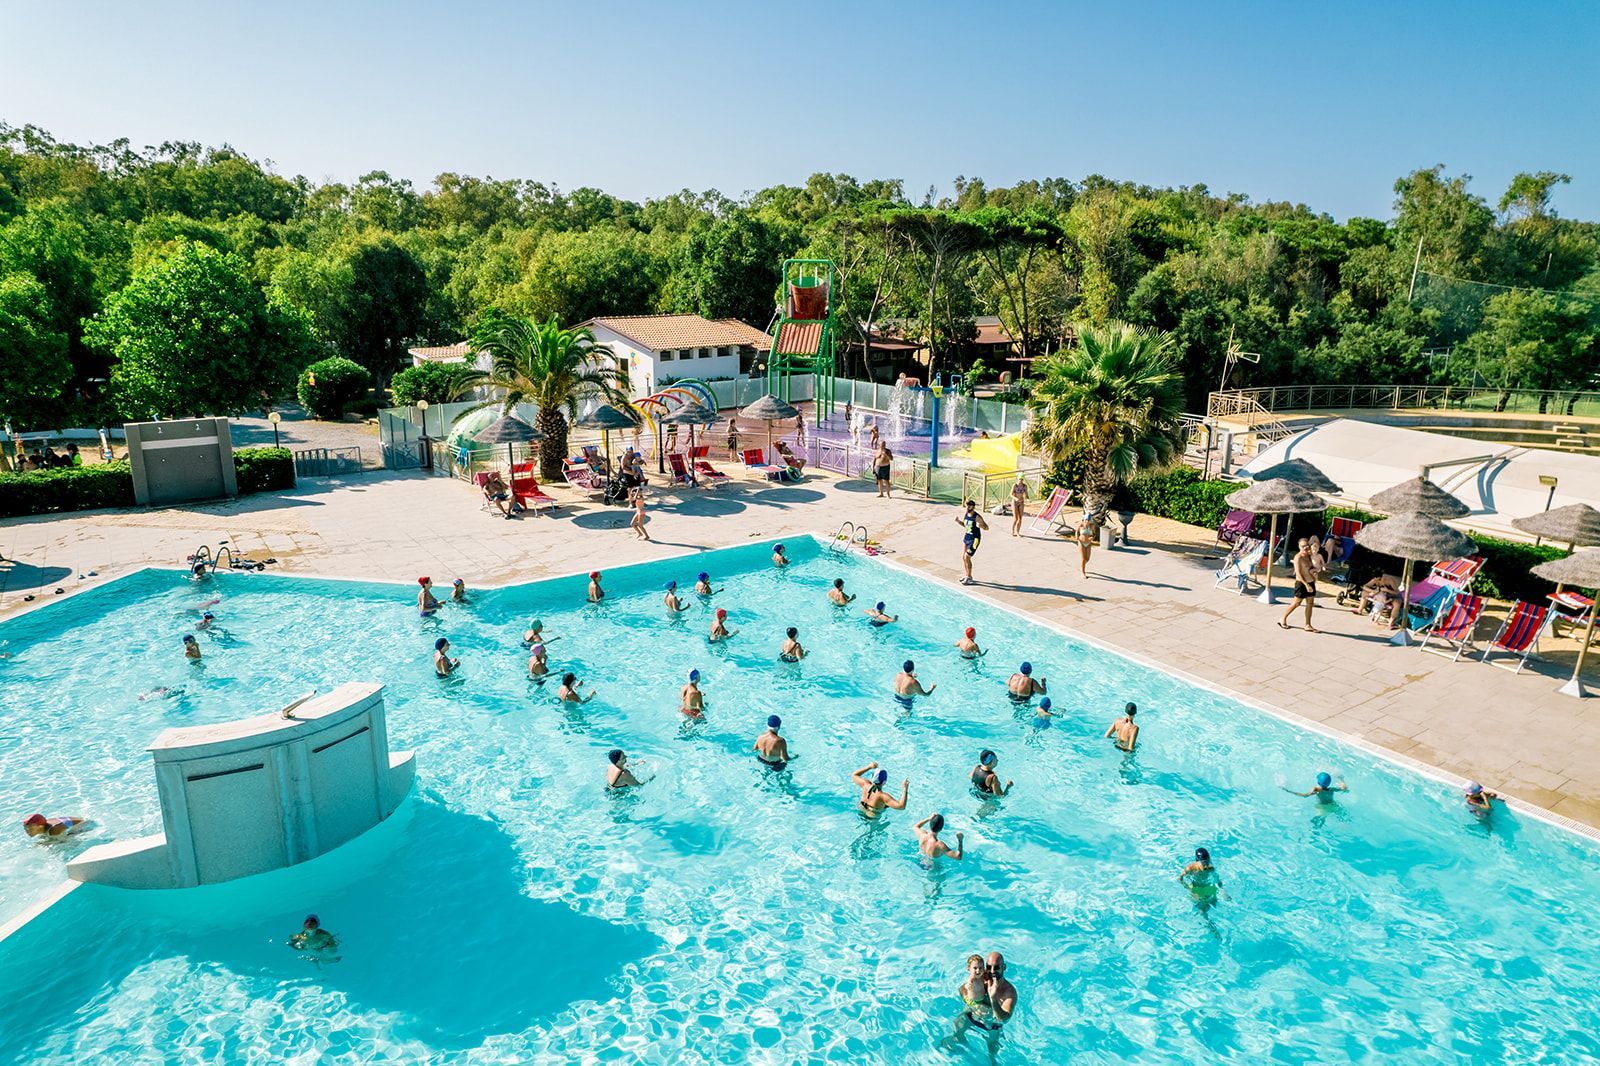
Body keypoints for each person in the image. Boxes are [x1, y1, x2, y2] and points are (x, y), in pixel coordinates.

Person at [1278, 537, 1321, 632]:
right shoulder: (1298, 557)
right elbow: (1298, 574)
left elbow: (1313, 566)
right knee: (1297, 603)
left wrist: (1315, 572)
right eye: (1303, 546)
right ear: (1299, 546)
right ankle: (1283, 618)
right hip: (1301, 583)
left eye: (1306, 545)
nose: (1305, 548)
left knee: (1310, 603)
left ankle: (1308, 625)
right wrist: (1306, 585)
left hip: (1311, 582)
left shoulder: (1309, 555)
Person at [956, 500, 988, 585]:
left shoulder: (977, 517)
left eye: (969, 506)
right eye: (966, 506)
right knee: (964, 557)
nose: (967, 508)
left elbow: (987, 528)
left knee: (967, 557)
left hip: (974, 540)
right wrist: (959, 522)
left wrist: (981, 526)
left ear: (973, 506)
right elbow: (966, 525)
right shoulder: (966, 514)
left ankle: (969, 577)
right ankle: (967, 575)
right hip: (967, 538)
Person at [22, 813, 89, 841]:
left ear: (40, 826)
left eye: (30, 828)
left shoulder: (53, 830)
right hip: (71, 822)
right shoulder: (43, 823)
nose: (27, 831)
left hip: (85, 824)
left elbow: (63, 841)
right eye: (25, 828)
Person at [1075, 512, 1097, 578]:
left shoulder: (1092, 526)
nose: (1087, 521)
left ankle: (1081, 566)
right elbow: (1076, 531)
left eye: (1088, 520)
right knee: (1083, 558)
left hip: (1088, 543)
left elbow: (1094, 534)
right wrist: (1077, 537)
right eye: (1086, 520)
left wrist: (1092, 537)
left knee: (1087, 559)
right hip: (1081, 542)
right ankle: (1083, 573)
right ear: (1084, 519)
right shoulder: (1081, 525)